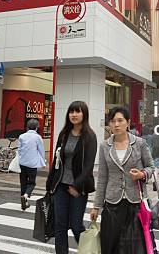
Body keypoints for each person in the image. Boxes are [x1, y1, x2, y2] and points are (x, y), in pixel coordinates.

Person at [90, 106, 155, 254]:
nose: (116, 125)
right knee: (111, 245)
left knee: (133, 248)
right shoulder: (105, 146)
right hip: (112, 203)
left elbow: (151, 167)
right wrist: (96, 206)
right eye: (112, 121)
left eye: (120, 120)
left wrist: (141, 174)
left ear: (128, 122)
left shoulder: (140, 143)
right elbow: (102, 178)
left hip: (135, 203)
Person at [46, 101, 97, 254]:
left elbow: (89, 166)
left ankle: (90, 251)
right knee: (60, 225)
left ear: (84, 114)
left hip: (78, 188)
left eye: (77, 112)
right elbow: (56, 161)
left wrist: (76, 185)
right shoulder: (64, 134)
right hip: (60, 186)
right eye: (71, 112)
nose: (73, 115)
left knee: (76, 225)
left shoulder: (90, 137)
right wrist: (50, 185)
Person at [18, 118, 46, 211]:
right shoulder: (37, 137)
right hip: (32, 164)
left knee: (23, 183)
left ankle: (24, 203)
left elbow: (19, 149)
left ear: (27, 127)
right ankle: (26, 196)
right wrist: (43, 160)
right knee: (32, 183)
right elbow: (41, 150)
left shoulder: (22, 136)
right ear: (37, 128)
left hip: (22, 163)